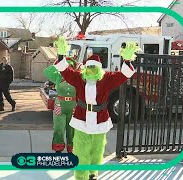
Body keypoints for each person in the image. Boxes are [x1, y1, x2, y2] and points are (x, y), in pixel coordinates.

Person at [53, 37, 140, 180]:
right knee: (81, 150)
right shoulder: (78, 78)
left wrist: (127, 60)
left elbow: (124, 75)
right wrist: (61, 55)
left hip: (100, 118)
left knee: (97, 148)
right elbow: (65, 71)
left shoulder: (107, 78)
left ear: (99, 68)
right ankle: (81, 175)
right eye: (89, 67)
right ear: (86, 68)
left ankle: (93, 172)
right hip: (82, 117)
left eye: (94, 67)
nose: (92, 70)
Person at [44, 55, 77, 153]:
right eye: (66, 66)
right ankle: (58, 148)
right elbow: (47, 71)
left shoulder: (77, 76)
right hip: (60, 105)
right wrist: (57, 64)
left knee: (72, 129)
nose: (68, 68)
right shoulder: (58, 76)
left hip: (73, 106)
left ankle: (72, 149)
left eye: (70, 66)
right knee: (59, 127)